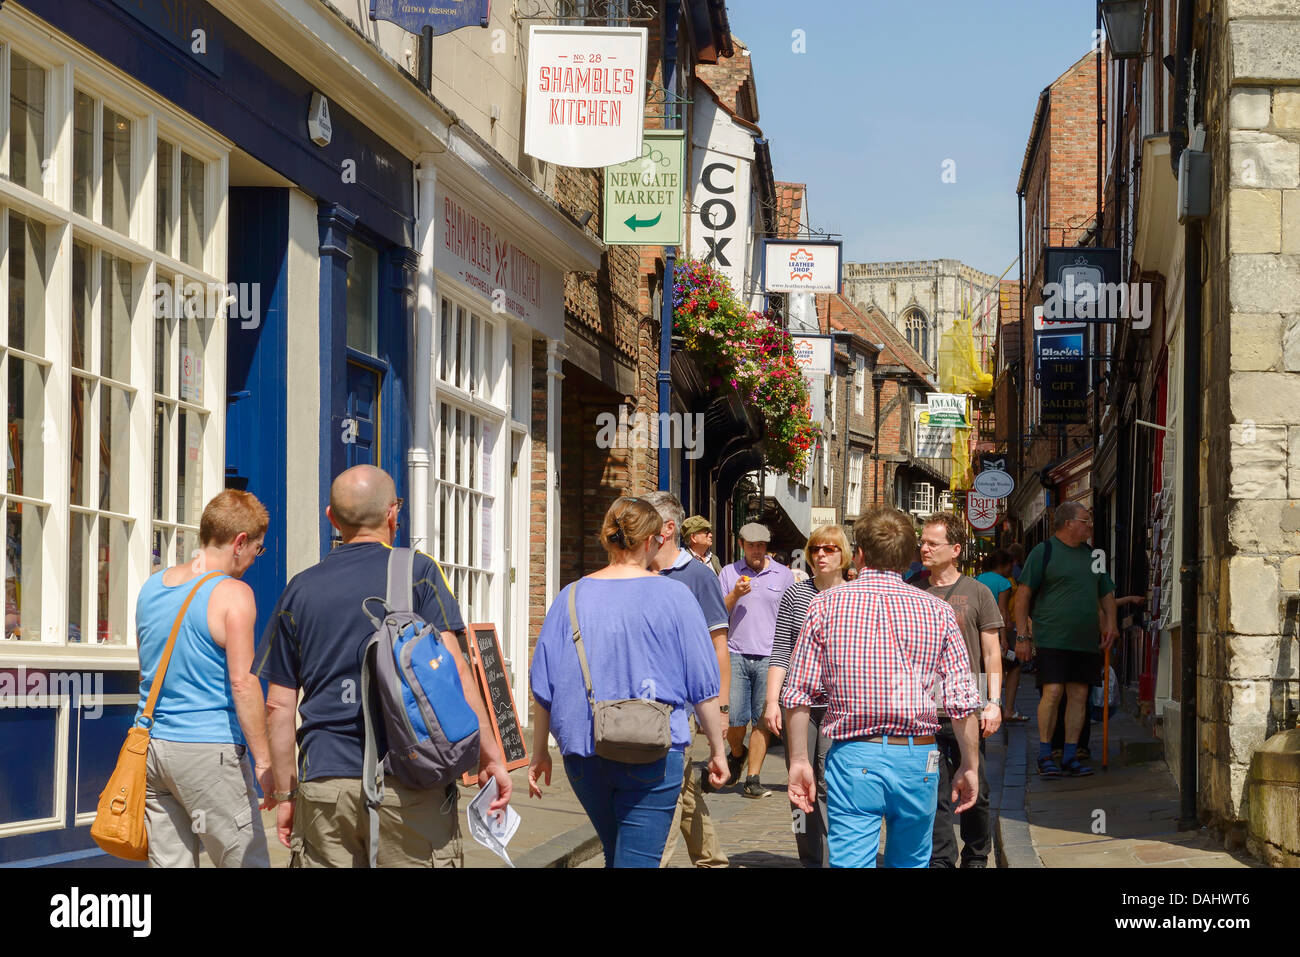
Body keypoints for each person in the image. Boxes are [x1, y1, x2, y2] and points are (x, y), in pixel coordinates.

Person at [257, 465, 510, 867]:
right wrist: (490, 755)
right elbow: (457, 673)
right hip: (411, 780)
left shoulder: (299, 588)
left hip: (326, 782)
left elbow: (279, 708)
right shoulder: (420, 573)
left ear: (331, 518)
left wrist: (287, 797)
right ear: (393, 513)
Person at [528, 497, 729, 867]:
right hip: (653, 749)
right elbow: (703, 684)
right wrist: (718, 750)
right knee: (638, 859)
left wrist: (539, 751)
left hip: (584, 750)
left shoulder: (568, 597)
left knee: (616, 850)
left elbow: (543, 686)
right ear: (653, 540)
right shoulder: (676, 596)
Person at [783, 507, 983, 868]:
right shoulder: (937, 611)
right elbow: (962, 699)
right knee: (910, 862)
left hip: (853, 754)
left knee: (851, 862)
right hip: (917, 758)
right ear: (909, 559)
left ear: (857, 554)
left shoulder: (825, 606)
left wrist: (799, 760)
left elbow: (798, 693)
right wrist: (970, 764)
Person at [136, 490, 272, 868]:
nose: (252, 561)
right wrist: (264, 760)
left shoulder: (152, 587)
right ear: (240, 542)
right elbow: (243, 684)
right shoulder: (234, 595)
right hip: (208, 751)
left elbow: (146, 671)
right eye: (256, 550)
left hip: (153, 749)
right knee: (245, 861)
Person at [643, 491, 730, 868]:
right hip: (642, 703)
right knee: (685, 789)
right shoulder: (637, 571)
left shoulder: (697, 576)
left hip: (681, 708)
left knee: (667, 797)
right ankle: (712, 860)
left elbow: (719, 648)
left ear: (667, 528)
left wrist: (721, 710)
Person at [763, 524, 851, 868]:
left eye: (830, 549)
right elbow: (781, 650)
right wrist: (773, 701)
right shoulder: (796, 595)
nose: (821, 555)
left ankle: (837, 857)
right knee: (799, 784)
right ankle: (810, 859)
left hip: (839, 706)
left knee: (831, 783)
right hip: (798, 704)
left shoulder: (853, 595)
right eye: (816, 549)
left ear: (843, 554)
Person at [919, 513, 1003, 869]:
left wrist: (994, 702)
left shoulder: (977, 592)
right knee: (933, 791)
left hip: (967, 707)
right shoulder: (913, 590)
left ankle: (976, 856)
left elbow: (991, 653)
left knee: (977, 789)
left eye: (931, 543)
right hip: (925, 711)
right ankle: (941, 860)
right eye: (922, 542)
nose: (923, 548)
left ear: (954, 549)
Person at [1014, 502, 1118, 778]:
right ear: (1069, 523)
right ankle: (1045, 753)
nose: (1090, 526)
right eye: (1086, 521)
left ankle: (1071, 755)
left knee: (1080, 695)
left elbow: (1105, 592)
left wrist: (1111, 623)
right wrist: (1022, 635)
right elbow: (1023, 595)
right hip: (1052, 637)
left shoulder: (1094, 555)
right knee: (1053, 692)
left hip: (1085, 639)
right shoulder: (1044, 552)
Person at [718, 522, 794, 797]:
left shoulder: (783, 576)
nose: (757, 551)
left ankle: (753, 777)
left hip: (771, 657)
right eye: (752, 545)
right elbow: (718, 613)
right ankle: (738, 753)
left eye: (761, 545)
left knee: (762, 721)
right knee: (736, 720)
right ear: (741, 545)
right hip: (736, 653)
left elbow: (792, 616)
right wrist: (736, 594)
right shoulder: (729, 573)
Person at [978, 549, 1026, 721]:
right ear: (1003, 566)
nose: (1012, 569)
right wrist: (1003, 637)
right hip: (997, 631)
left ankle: (982, 706)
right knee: (1013, 666)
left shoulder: (978, 579)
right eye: (1010, 566)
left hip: (979, 631)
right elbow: (1002, 611)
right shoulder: (1004, 583)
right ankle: (1008, 709)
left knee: (983, 668)